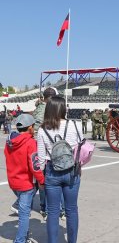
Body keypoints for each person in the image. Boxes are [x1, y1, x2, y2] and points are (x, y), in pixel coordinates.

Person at [37, 96, 83, 243]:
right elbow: (80, 150)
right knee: (71, 210)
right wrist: (79, 166)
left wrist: (41, 179)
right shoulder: (74, 125)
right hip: (71, 171)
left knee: (52, 212)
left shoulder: (43, 129)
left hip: (52, 171)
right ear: (63, 108)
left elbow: (41, 158)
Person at [4, 114, 45, 243]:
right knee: (24, 215)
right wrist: (42, 181)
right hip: (26, 183)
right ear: (30, 127)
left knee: (24, 211)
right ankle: (20, 240)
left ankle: (25, 237)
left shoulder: (9, 141)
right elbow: (35, 166)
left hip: (13, 181)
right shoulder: (31, 143)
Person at [32, 86, 58, 220]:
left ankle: (44, 207)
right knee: (45, 178)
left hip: (36, 143)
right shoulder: (51, 109)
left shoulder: (38, 108)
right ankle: (46, 208)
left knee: (40, 178)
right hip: (46, 145)